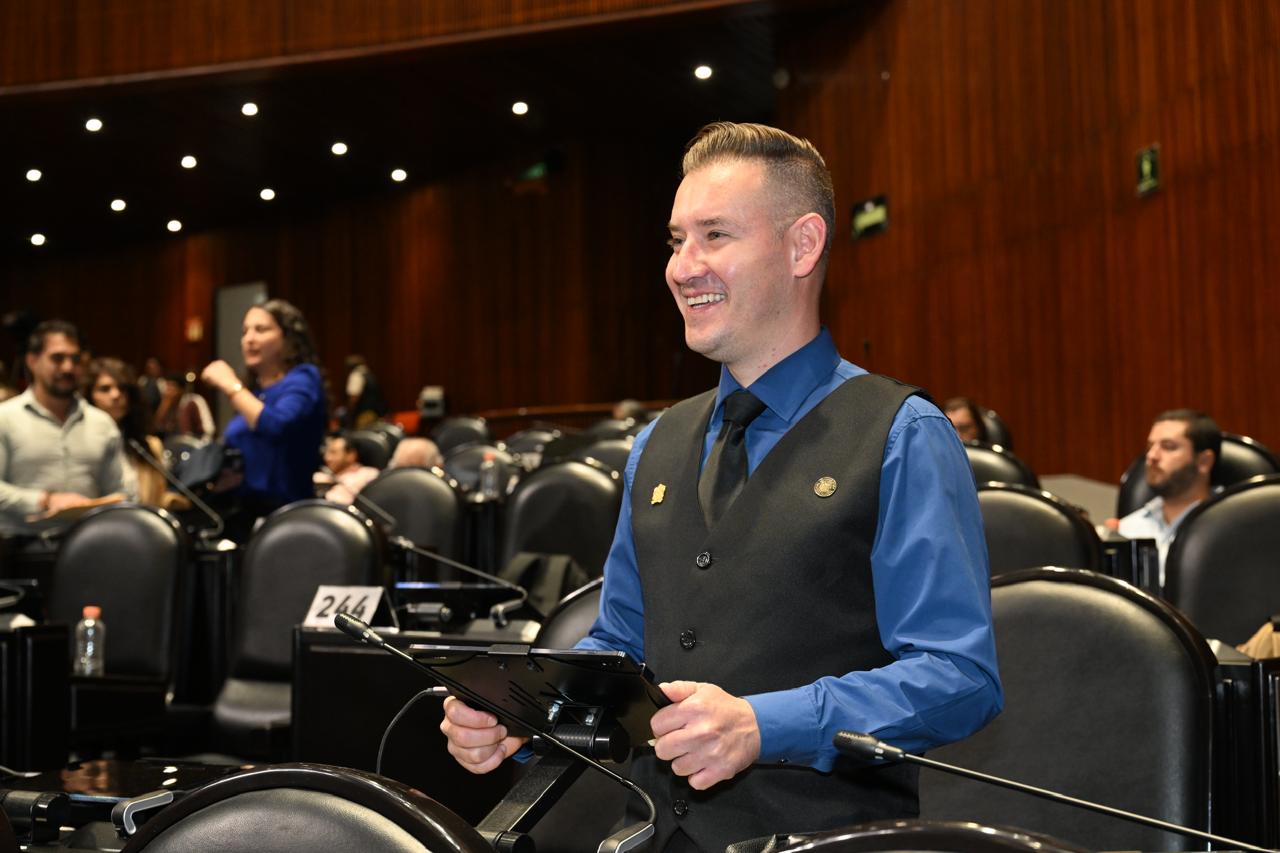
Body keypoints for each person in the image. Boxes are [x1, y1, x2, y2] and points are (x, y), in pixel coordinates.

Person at [440, 123, 1002, 851]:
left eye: (715, 236)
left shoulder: (902, 433)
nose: (683, 267)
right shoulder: (658, 442)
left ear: (803, 245)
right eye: (677, 241)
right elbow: (620, 648)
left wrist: (765, 725)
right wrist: (523, 717)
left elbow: (959, 676)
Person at [201, 299, 327, 527]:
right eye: (245, 331)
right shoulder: (255, 393)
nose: (249, 339)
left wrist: (230, 384)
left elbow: (276, 425)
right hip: (242, 510)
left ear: (288, 339)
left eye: (261, 329)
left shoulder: (303, 378)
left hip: (288, 516)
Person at [0, 320, 127, 534]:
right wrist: (45, 500)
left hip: (89, 542)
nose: (68, 367)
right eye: (57, 358)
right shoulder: (5, 418)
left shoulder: (102, 423)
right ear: (32, 361)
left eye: (75, 359)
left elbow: (118, 491)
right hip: (21, 545)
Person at [1112, 409, 1220, 586]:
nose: (1152, 456)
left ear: (1204, 461)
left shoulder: (1231, 528)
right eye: (1150, 447)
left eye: (1168, 446)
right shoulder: (1125, 530)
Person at [84, 357, 189, 510]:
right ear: (89, 396)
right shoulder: (80, 445)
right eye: (105, 389)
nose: (116, 395)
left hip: (140, 522)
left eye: (122, 388)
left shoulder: (149, 446)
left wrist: (175, 502)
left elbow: (157, 499)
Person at [316, 432, 380, 504]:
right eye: (326, 452)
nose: (327, 458)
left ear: (351, 455)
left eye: (333, 452)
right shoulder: (329, 476)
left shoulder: (367, 474)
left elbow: (336, 502)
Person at [342, 354, 387, 429]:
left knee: (362, 435)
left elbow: (354, 397)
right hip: (374, 413)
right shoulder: (369, 374)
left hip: (363, 415)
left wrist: (349, 412)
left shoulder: (356, 375)